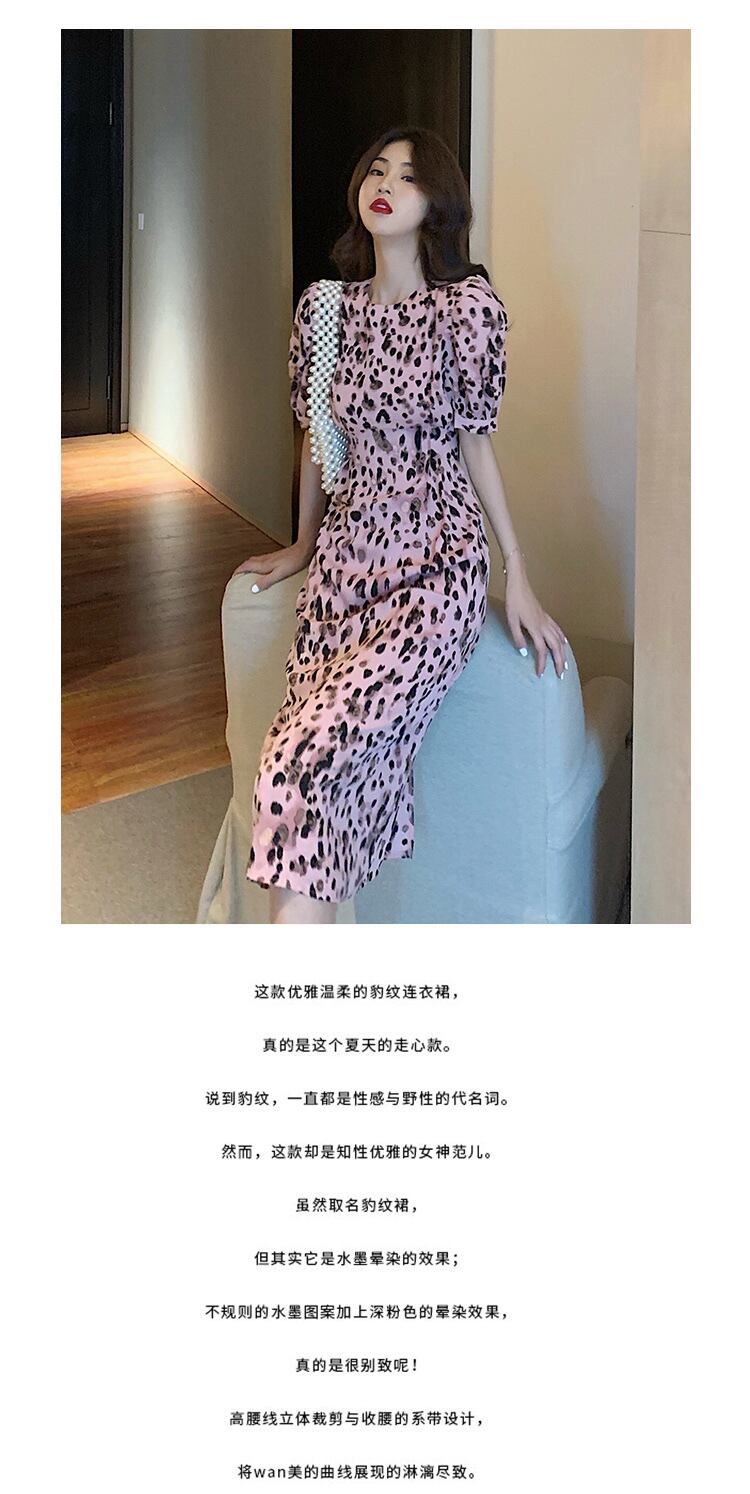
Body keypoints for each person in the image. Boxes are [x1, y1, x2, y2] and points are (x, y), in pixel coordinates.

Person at [233, 125, 567, 925]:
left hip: (434, 572)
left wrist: (516, 571)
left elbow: (475, 444)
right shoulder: (325, 310)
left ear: (437, 202)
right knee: (295, 767)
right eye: (377, 170)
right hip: (344, 569)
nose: (385, 185)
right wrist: (303, 544)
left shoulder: (465, 310)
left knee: (299, 763)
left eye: (409, 177)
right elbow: (317, 437)